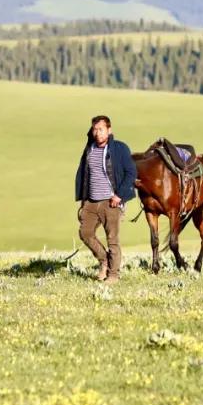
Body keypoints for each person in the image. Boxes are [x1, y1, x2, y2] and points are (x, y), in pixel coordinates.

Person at [74, 115, 137, 283]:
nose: (97, 133)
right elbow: (85, 176)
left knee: (112, 239)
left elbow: (131, 173)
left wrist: (119, 195)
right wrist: (83, 200)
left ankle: (113, 274)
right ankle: (104, 261)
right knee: (85, 233)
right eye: (94, 129)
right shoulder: (90, 149)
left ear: (109, 130)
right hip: (91, 201)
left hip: (111, 202)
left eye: (100, 129)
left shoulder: (119, 149)